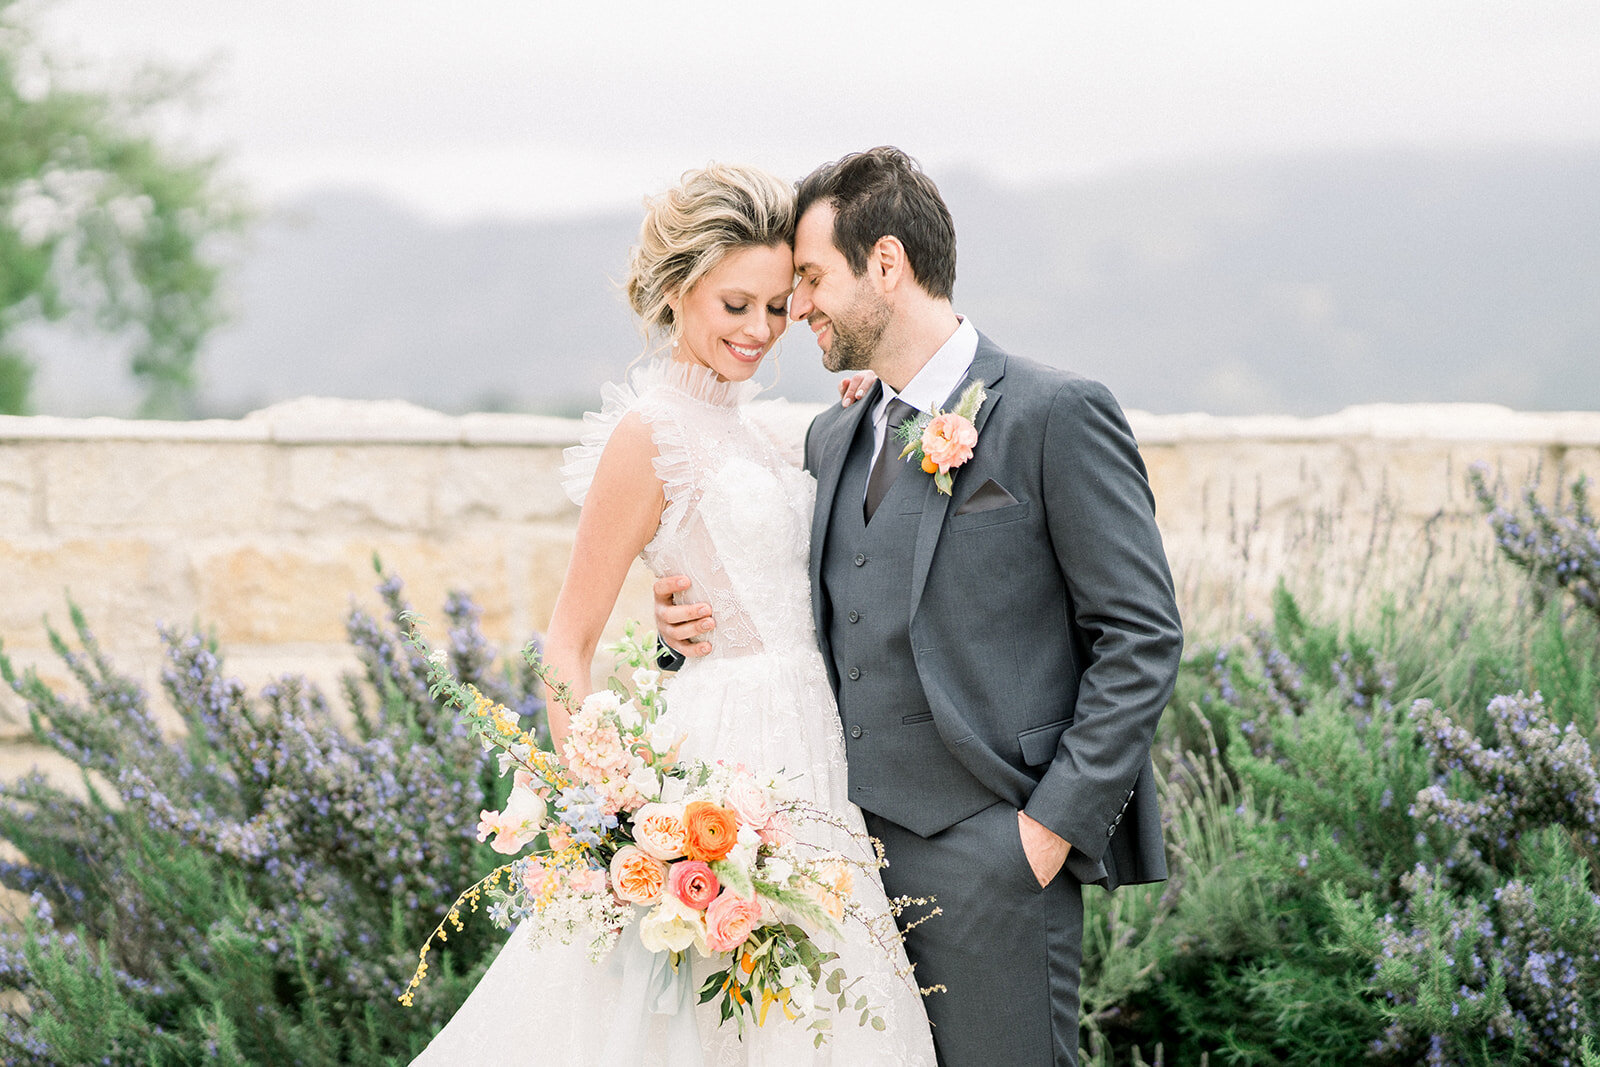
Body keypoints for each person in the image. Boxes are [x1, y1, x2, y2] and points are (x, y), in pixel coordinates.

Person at [654, 147, 1184, 1066]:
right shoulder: (829, 435)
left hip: (995, 861)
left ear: (887, 265)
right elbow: (772, 596)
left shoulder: (1055, 413)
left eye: (812, 278)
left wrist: (1044, 834)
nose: (800, 308)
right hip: (835, 871)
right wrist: (681, 630)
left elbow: (1141, 635)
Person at [411, 163, 936, 1065]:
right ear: (675, 288)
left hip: (816, 762)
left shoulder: (774, 430)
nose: (760, 331)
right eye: (736, 304)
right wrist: (604, 816)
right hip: (720, 770)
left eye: (777, 307)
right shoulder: (647, 434)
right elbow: (566, 643)